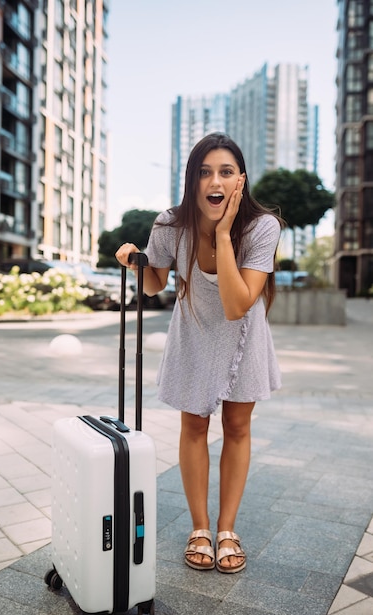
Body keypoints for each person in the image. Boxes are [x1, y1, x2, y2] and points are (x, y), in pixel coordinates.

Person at [115, 132, 283, 574]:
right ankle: (200, 528)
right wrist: (137, 261)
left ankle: (227, 529)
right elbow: (153, 285)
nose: (215, 180)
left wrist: (224, 234)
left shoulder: (262, 226)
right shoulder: (170, 224)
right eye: (204, 172)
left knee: (237, 426)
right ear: (192, 182)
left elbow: (237, 304)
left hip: (242, 333)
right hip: (192, 331)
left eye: (226, 172)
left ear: (240, 181)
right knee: (193, 426)